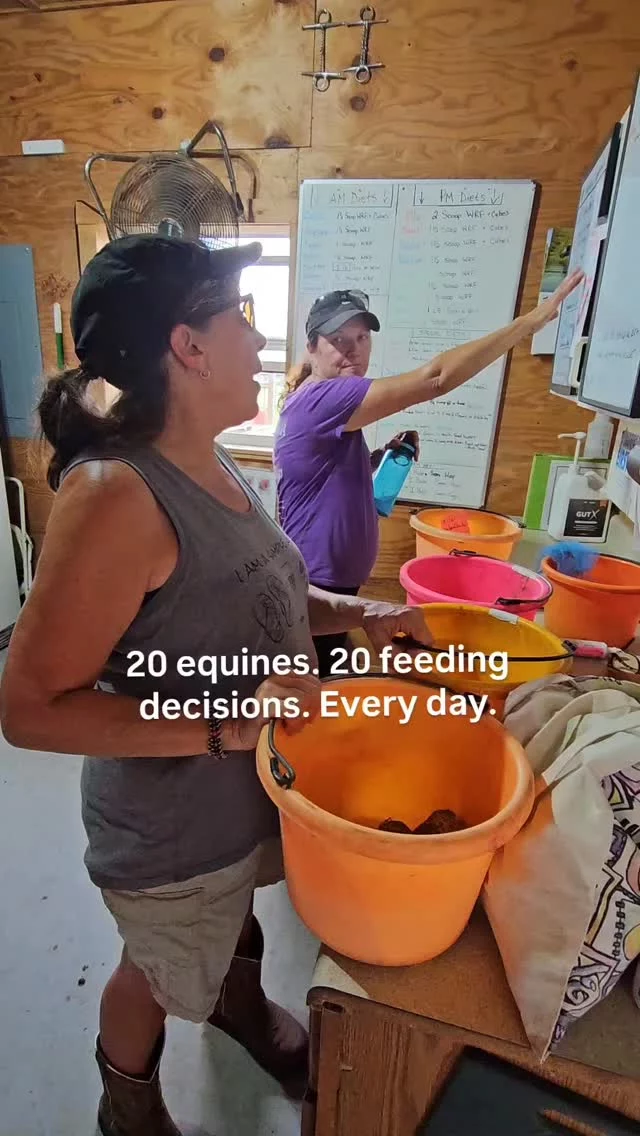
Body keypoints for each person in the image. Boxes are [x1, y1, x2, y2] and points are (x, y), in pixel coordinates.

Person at [0, 234, 432, 1136]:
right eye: (238, 317)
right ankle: (127, 1098)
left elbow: (261, 591)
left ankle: (236, 1009)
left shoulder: (218, 456)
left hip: (241, 800)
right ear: (186, 348)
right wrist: (231, 730)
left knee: (231, 920)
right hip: (171, 828)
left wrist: (361, 614)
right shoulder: (116, 496)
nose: (259, 340)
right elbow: (29, 710)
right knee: (154, 971)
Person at [273, 272, 584, 677]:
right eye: (339, 340)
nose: (353, 351)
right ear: (312, 347)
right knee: (312, 702)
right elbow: (435, 378)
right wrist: (530, 323)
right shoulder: (324, 398)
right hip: (320, 586)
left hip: (328, 582)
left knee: (330, 681)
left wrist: (378, 459)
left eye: (362, 338)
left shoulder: (324, 402)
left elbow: (320, 478)